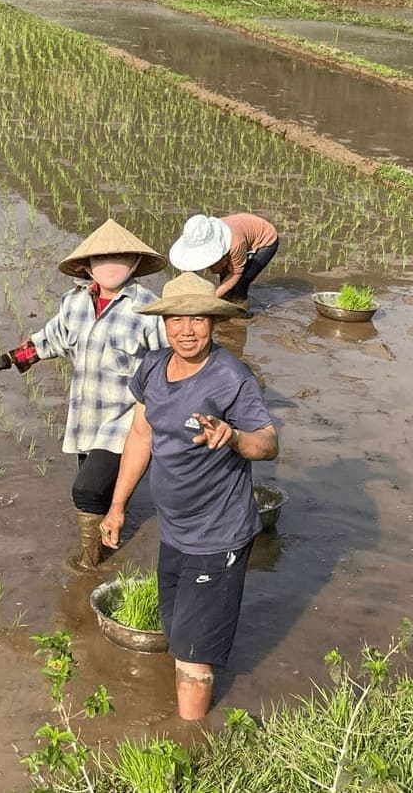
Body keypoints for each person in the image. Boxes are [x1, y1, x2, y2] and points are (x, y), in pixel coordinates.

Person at [99, 272, 278, 720]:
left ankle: (189, 744)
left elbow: (269, 443)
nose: (187, 329)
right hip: (175, 532)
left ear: (213, 323)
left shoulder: (231, 377)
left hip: (218, 536)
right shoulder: (153, 369)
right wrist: (117, 506)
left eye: (198, 319)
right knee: (176, 631)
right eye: (176, 319)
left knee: (193, 661)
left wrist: (233, 436)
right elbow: (141, 435)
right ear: (164, 323)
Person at [0, 218, 167, 570]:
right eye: (100, 259)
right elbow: (51, 340)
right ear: (86, 265)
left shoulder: (148, 309)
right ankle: (108, 529)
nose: (110, 266)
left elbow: (169, 359)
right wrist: (4, 360)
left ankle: (90, 563)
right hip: (86, 416)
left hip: (127, 419)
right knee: (96, 489)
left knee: (85, 491)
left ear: (134, 263)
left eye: (120, 258)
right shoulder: (74, 303)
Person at [169, 213, 279, 309]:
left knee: (241, 284)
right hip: (242, 230)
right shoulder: (196, 236)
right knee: (224, 282)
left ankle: (241, 314)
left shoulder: (236, 243)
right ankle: (224, 306)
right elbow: (188, 269)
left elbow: (236, 273)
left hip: (265, 241)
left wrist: (211, 297)